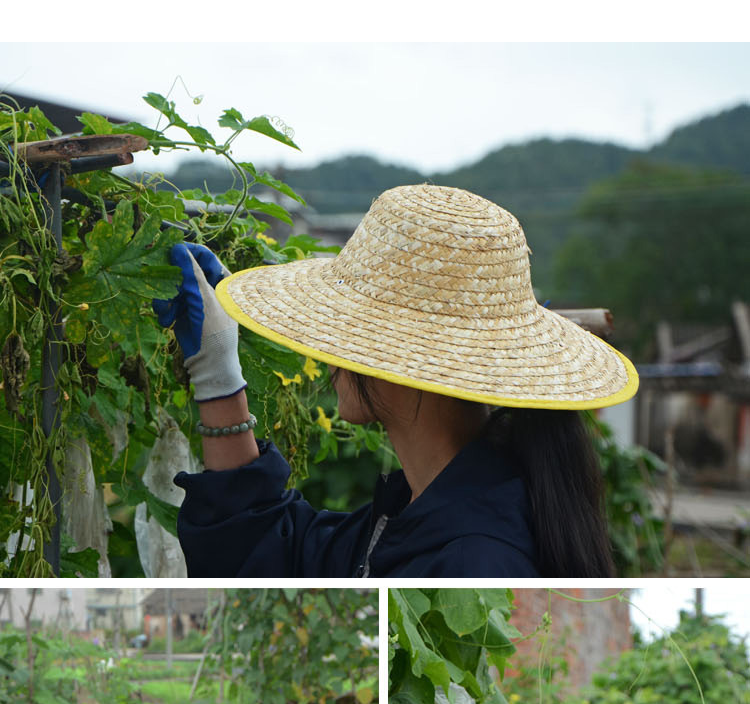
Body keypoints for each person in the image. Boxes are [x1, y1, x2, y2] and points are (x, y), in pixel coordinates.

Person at [153, 184, 639, 577]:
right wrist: (217, 375)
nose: (330, 354)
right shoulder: (425, 511)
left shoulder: (471, 559)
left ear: (411, 366)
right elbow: (265, 554)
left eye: (351, 330)